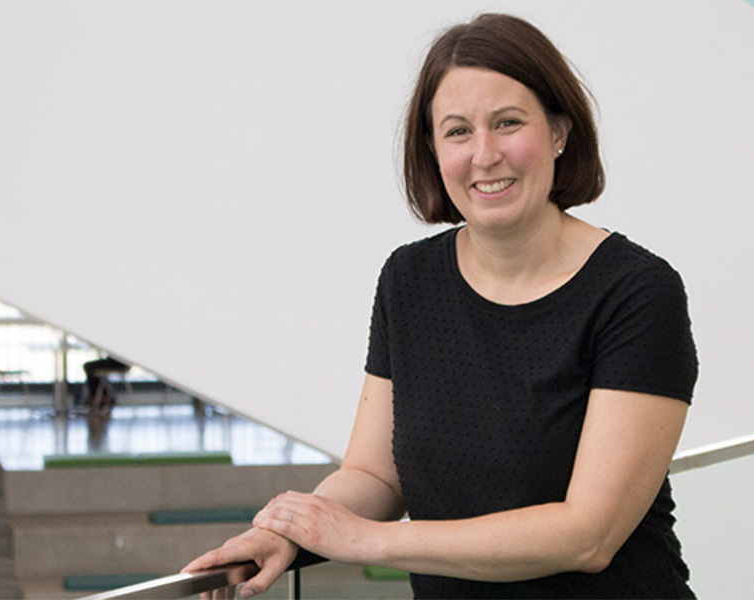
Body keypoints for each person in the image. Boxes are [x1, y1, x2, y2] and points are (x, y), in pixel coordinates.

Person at [184, 13, 698, 599]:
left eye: (508, 123)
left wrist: (366, 541)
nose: (484, 155)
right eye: (457, 131)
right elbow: (375, 474)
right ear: (432, 149)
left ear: (559, 131)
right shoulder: (409, 280)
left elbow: (587, 535)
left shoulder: (637, 292)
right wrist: (293, 533)